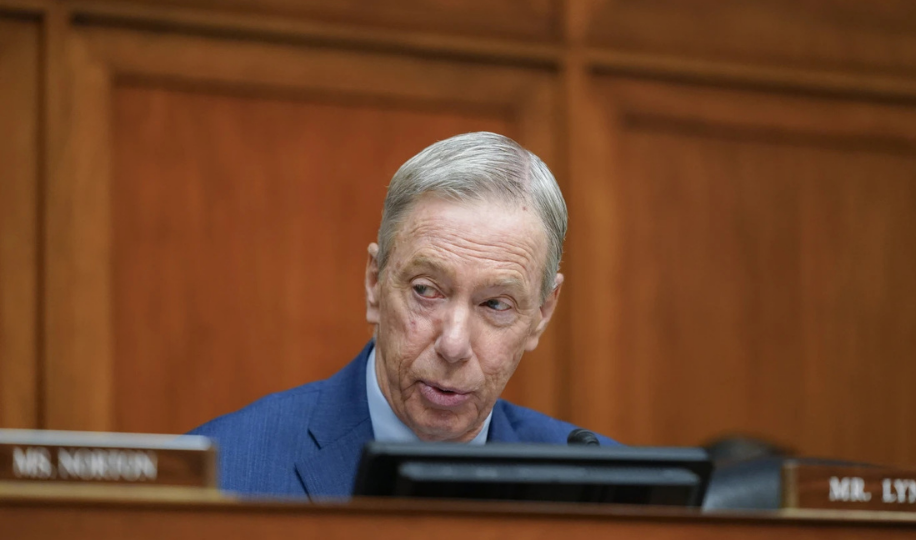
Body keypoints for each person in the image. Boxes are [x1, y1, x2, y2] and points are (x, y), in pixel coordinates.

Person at [190, 132, 615, 499]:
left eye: (495, 304)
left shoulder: (610, 493)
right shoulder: (220, 476)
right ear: (375, 283)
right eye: (426, 291)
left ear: (542, 313)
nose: (453, 345)